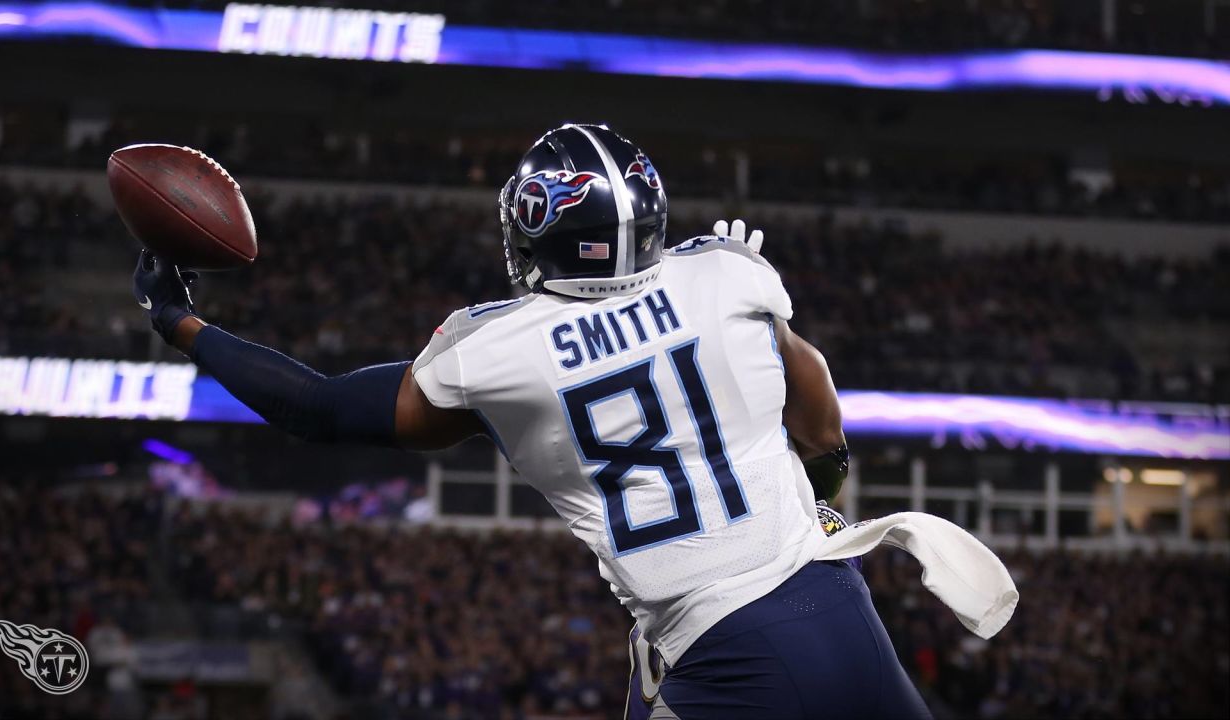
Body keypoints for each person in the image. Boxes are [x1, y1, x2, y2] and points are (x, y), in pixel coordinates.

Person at [132, 124, 931, 718]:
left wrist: (178, 319)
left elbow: (315, 407)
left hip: (722, 652)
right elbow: (819, 413)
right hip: (841, 610)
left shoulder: (496, 351)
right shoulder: (727, 274)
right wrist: (821, 497)